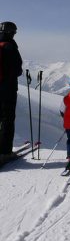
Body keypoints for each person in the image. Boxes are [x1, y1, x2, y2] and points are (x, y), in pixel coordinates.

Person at [0, 21, 23, 159]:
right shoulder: (9, 47)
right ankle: (5, 151)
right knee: (7, 120)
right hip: (7, 90)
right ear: (11, 33)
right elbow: (17, 69)